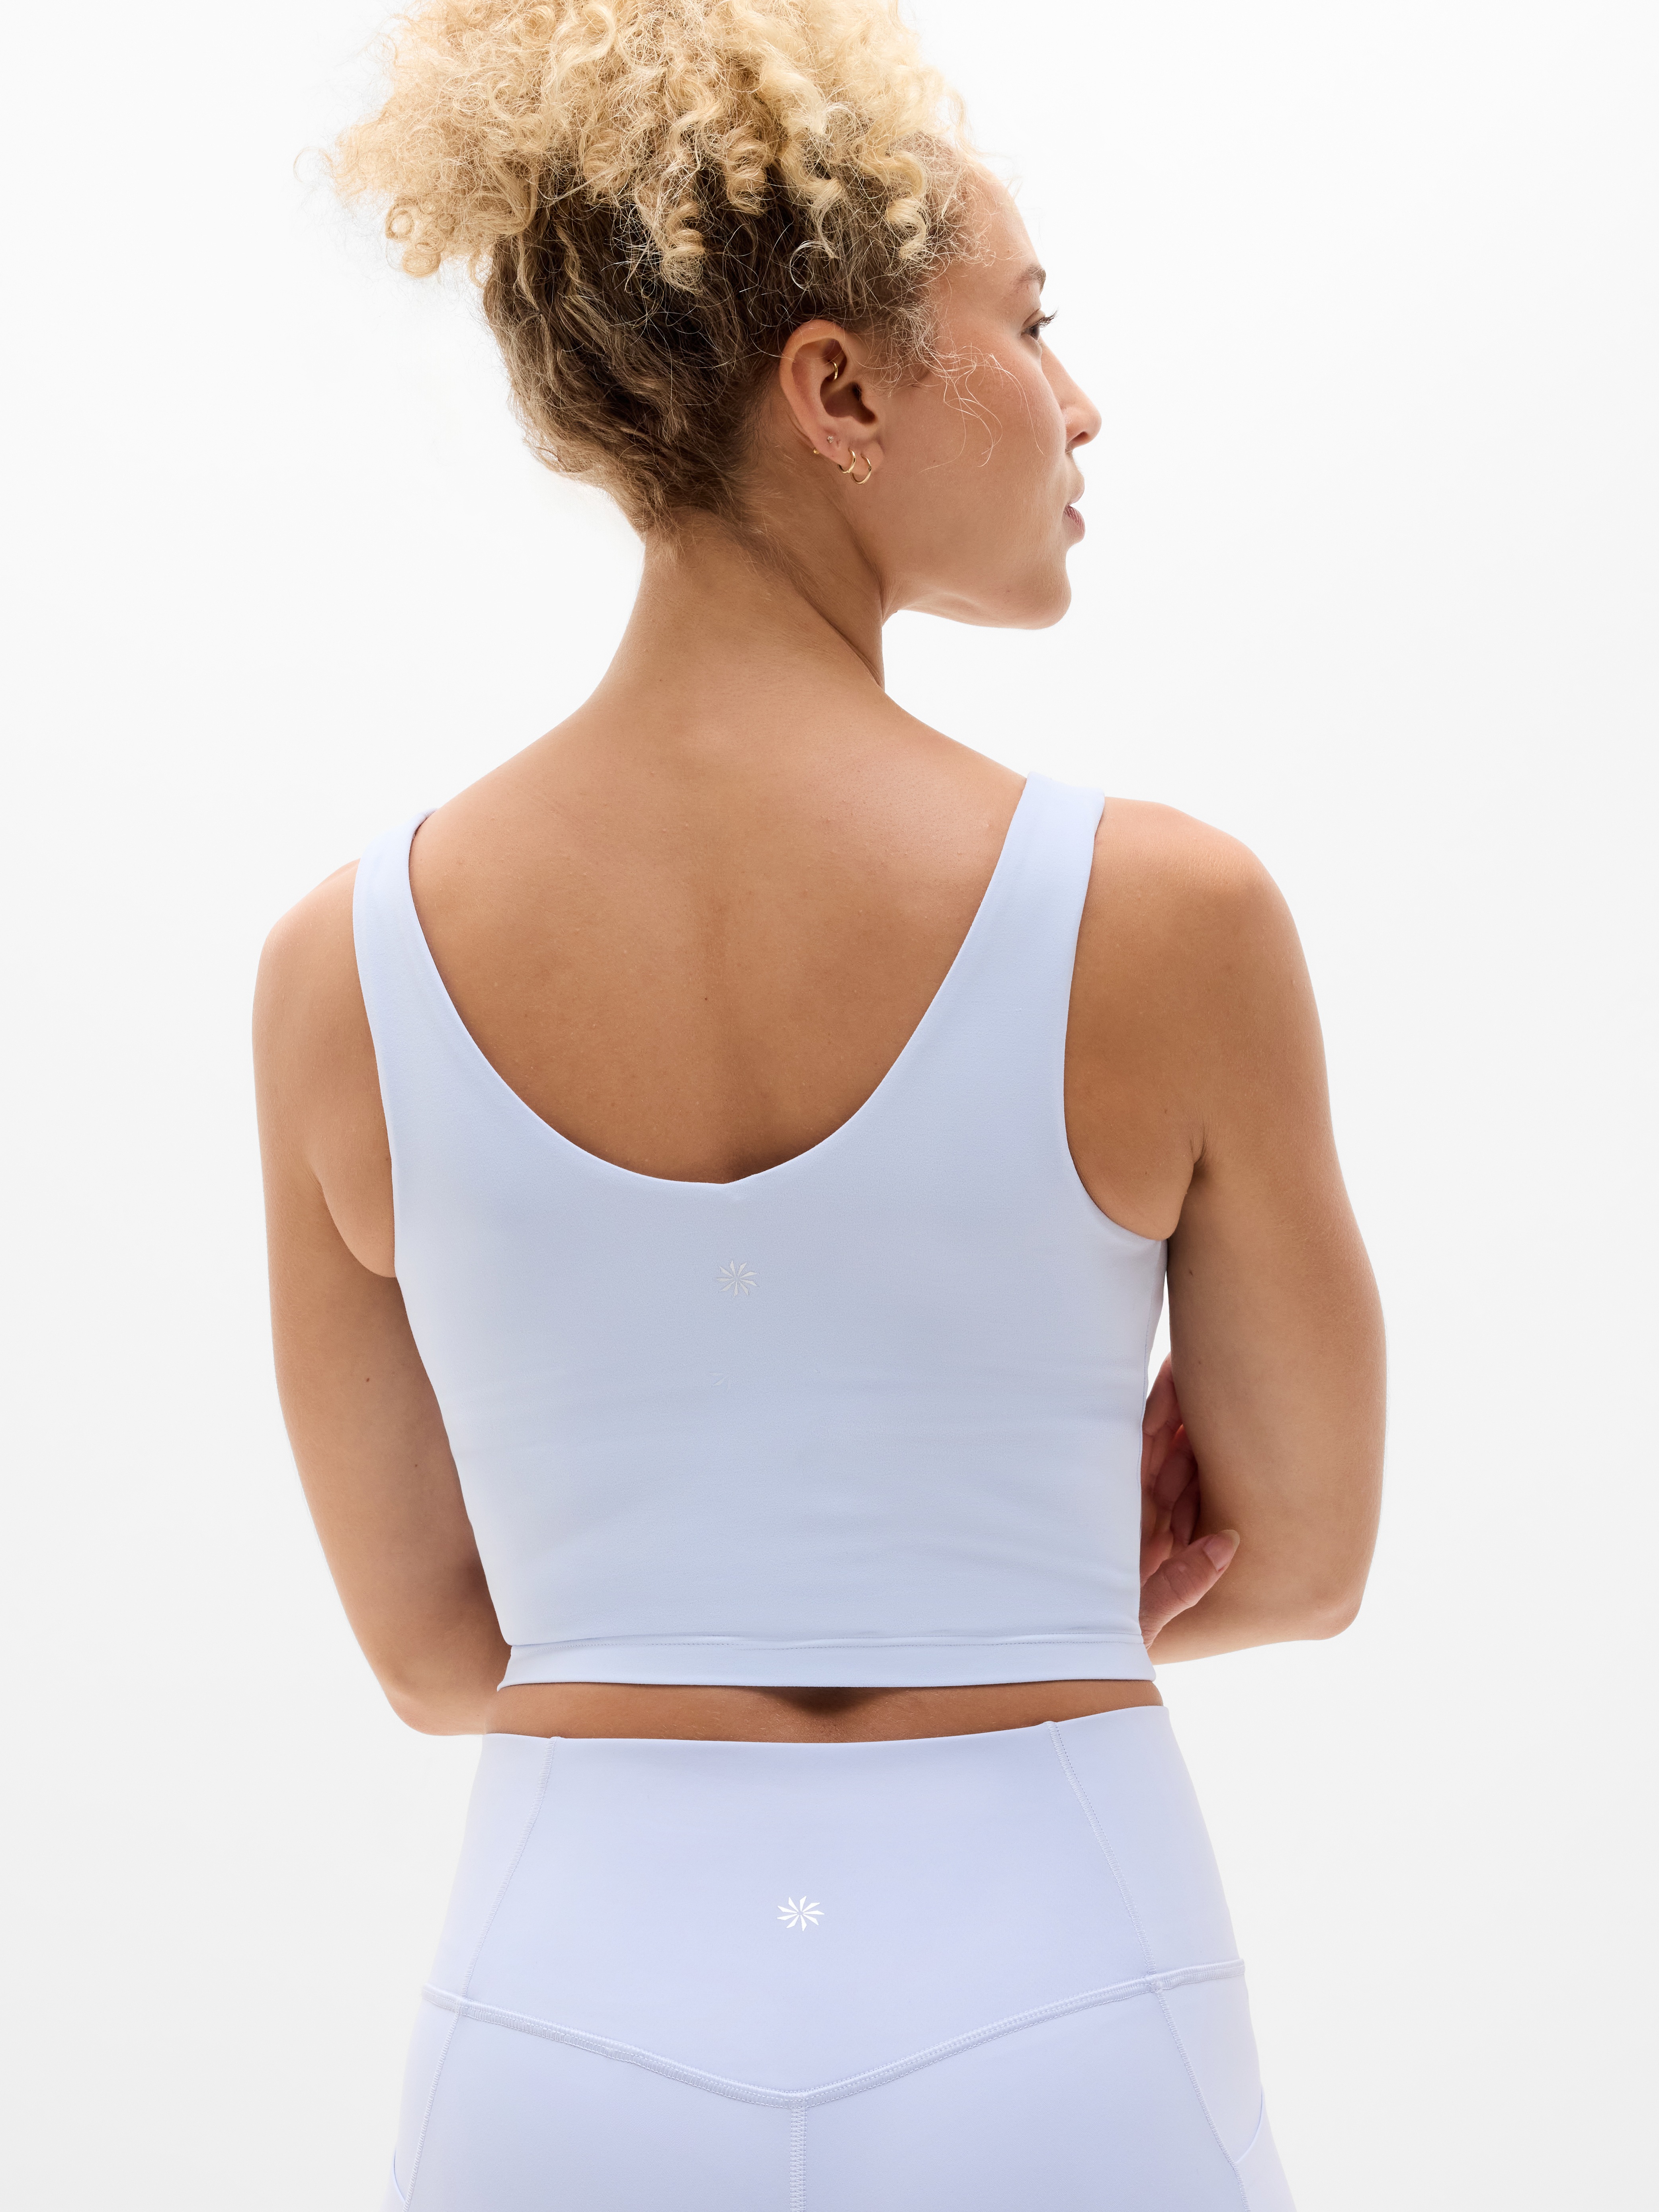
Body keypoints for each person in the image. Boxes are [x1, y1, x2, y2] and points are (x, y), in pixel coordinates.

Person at [254, 2, 1385, 2204]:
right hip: (1058, 1972)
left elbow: (432, 1652)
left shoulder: (345, 969)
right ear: (839, 392)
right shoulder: (1167, 918)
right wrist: (1008, 1572)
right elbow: (1308, 1556)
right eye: (1027, 325)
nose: (1077, 399)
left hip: (571, 2008)